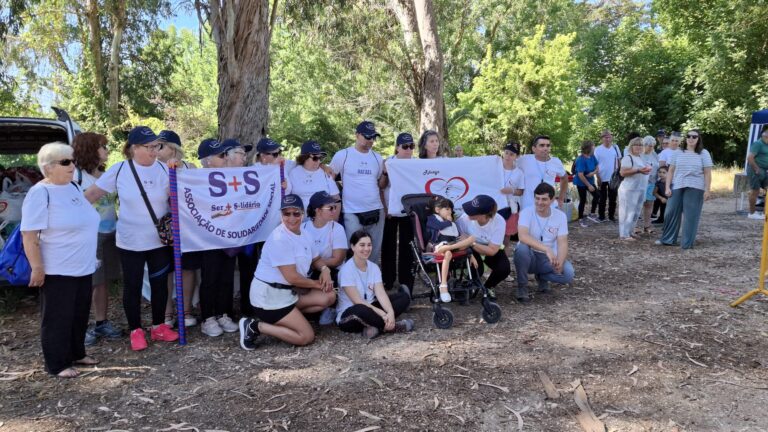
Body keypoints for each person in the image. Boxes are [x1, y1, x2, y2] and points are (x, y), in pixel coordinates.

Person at [85, 126, 178, 351]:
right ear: (134, 148)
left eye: (157, 146)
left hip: (158, 241)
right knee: (133, 286)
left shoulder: (165, 170)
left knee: (159, 285)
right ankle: (136, 330)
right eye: (149, 147)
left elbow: (176, 200)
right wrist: (68, 216)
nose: (154, 151)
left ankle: (158, 326)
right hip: (130, 242)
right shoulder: (119, 170)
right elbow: (91, 196)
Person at [22, 142, 100, 377]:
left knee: (79, 313)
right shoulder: (40, 192)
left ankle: (77, 353)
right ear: (48, 167)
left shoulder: (74, 187)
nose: (72, 166)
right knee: (58, 317)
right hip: (58, 268)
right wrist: (37, 267)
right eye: (65, 162)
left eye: (72, 161)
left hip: (82, 266)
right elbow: (29, 234)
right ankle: (57, 363)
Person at [238, 194, 336, 350]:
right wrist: (319, 284)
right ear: (281, 214)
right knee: (306, 337)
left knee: (329, 296)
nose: (291, 218)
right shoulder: (279, 238)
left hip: (288, 294)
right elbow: (292, 278)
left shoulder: (304, 233)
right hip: (270, 298)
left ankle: (289, 319)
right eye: (286, 213)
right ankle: (255, 326)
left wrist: (325, 270)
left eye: (296, 213)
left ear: (303, 214)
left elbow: (316, 259)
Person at [196, 138, 252, 337]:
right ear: (208, 160)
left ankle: (223, 313)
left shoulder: (230, 178)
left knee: (226, 276)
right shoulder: (196, 180)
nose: (225, 158)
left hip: (229, 236)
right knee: (210, 277)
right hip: (208, 237)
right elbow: (203, 210)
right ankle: (207, 317)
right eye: (221, 155)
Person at [71, 133, 123, 346]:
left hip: (111, 234)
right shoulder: (76, 176)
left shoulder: (107, 175)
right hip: (88, 236)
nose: (107, 151)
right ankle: (80, 327)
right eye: (103, 146)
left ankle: (101, 322)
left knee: (102, 282)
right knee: (87, 283)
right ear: (90, 149)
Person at [156, 130, 200, 329]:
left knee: (188, 268)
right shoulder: (155, 169)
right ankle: (167, 312)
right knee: (168, 271)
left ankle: (186, 310)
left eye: (161, 146)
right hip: (165, 228)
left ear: (173, 148)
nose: (156, 150)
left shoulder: (191, 168)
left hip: (189, 227)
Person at [336, 230, 414, 339]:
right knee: (361, 309)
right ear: (353, 247)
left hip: (371, 306)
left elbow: (381, 293)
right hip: (351, 313)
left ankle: (374, 328)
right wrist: (382, 313)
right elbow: (357, 301)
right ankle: (393, 327)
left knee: (403, 298)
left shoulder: (374, 267)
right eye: (362, 245)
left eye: (369, 245)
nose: (366, 249)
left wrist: (390, 312)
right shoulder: (346, 270)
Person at [329, 121, 386, 263]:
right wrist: (334, 203)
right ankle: (352, 283)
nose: (371, 141)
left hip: (376, 209)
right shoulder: (343, 155)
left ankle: (371, 283)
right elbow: (330, 177)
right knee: (354, 250)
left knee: (373, 251)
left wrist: (385, 174)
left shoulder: (377, 158)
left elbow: (381, 185)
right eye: (367, 137)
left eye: (373, 137)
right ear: (357, 135)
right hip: (352, 211)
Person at [514, 183, 575, 303]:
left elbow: (562, 242)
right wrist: (546, 249)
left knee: (568, 274)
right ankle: (522, 286)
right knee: (521, 249)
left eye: (544, 199)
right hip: (530, 255)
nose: (540, 202)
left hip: (548, 258)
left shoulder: (560, 216)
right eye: (537, 198)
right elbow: (522, 236)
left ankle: (542, 277)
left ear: (552, 200)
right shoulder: (526, 212)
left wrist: (560, 262)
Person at [657, 129, 713, 249]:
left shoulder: (704, 153)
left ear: (698, 139)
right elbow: (670, 170)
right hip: (677, 185)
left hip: (695, 186)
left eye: (694, 137)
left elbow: (707, 173)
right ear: (685, 138)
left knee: (690, 215)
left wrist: (708, 190)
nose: (691, 139)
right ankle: (668, 239)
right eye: (689, 136)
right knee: (670, 212)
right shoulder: (678, 152)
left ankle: (687, 243)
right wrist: (667, 187)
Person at [380, 133, 416, 292]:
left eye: (411, 146)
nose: (409, 150)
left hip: (408, 212)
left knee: (407, 247)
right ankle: (387, 280)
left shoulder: (416, 164)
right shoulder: (389, 162)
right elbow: (381, 186)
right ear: (397, 148)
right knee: (388, 246)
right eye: (405, 146)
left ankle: (405, 281)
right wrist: (386, 172)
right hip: (391, 211)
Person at [456, 194, 510, 300]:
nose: (468, 212)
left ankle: (488, 287)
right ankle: (467, 285)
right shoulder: (464, 219)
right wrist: (468, 244)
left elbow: (492, 251)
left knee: (504, 269)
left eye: (473, 211)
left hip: (487, 246)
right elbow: (458, 238)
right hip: (469, 248)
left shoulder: (499, 222)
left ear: (485, 215)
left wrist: (471, 242)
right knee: (477, 268)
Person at [425, 197, 476, 302]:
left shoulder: (453, 223)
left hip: (452, 245)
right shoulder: (432, 219)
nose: (450, 211)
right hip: (438, 246)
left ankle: (454, 248)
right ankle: (443, 285)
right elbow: (438, 226)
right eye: (447, 209)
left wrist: (471, 255)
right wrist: (448, 222)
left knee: (470, 238)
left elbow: (456, 237)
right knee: (448, 253)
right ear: (437, 210)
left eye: (451, 209)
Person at [288, 140, 340, 215]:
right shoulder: (293, 172)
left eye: (320, 158)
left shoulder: (326, 173)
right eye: (315, 158)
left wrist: (334, 220)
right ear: (304, 157)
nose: (319, 161)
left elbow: (336, 198)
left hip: (322, 220)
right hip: (299, 221)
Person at [517, 135, 568, 210]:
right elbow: (507, 165)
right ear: (534, 148)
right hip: (528, 207)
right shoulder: (524, 160)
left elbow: (564, 178)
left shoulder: (556, 161)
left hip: (549, 207)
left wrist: (561, 198)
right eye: (542, 145)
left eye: (548, 145)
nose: (545, 148)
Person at [617, 137, 652, 240]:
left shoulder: (641, 157)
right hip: (629, 189)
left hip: (640, 188)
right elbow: (622, 172)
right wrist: (638, 170)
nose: (638, 147)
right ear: (631, 146)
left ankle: (630, 231)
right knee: (627, 211)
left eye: (640, 145)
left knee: (636, 212)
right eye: (636, 145)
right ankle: (624, 234)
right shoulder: (628, 157)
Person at [499, 141, 523, 247]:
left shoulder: (519, 172)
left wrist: (511, 191)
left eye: (512, 154)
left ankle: (504, 259)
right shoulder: (495, 168)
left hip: (510, 207)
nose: (508, 156)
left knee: (506, 237)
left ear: (516, 157)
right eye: (507, 153)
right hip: (495, 206)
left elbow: (521, 191)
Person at [593, 129, 621, 222]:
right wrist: (598, 177)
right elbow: (595, 164)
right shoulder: (597, 149)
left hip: (613, 178)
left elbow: (619, 161)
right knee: (602, 199)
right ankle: (601, 216)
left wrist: (620, 175)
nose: (607, 139)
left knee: (613, 198)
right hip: (602, 177)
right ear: (602, 138)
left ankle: (611, 216)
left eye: (609, 137)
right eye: (605, 137)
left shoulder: (616, 148)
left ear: (611, 137)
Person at [572, 140, 601, 227]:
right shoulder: (580, 159)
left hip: (591, 181)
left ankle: (592, 214)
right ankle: (581, 219)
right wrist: (588, 185)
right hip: (581, 183)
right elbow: (580, 175)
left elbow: (597, 167)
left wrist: (593, 173)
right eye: (593, 146)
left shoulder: (592, 156)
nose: (594, 147)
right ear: (588, 148)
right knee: (583, 200)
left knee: (597, 196)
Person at [746, 125, 768, 219]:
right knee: (755, 191)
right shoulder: (758, 144)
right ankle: (752, 213)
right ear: (764, 133)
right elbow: (750, 158)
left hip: (765, 171)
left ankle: (764, 213)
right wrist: (756, 169)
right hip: (755, 169)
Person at [640, 136, 660, 234]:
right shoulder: (639, 155)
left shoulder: (655, 155)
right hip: (641, 183)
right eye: (648, 145)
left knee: (649, 205)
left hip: (652, 183)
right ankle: (635, 226)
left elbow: (658, 167)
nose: (650, 148)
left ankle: (647, 226)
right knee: (638, 205)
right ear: (644, 145)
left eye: (652, 146)